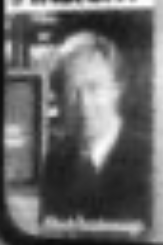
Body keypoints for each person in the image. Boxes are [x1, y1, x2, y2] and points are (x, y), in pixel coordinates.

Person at [37, 30, 150, 232]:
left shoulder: (150, 159)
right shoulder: (55, 162)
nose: (83, 103)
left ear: (117, 89)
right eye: (72, 90)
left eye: (94, 88)